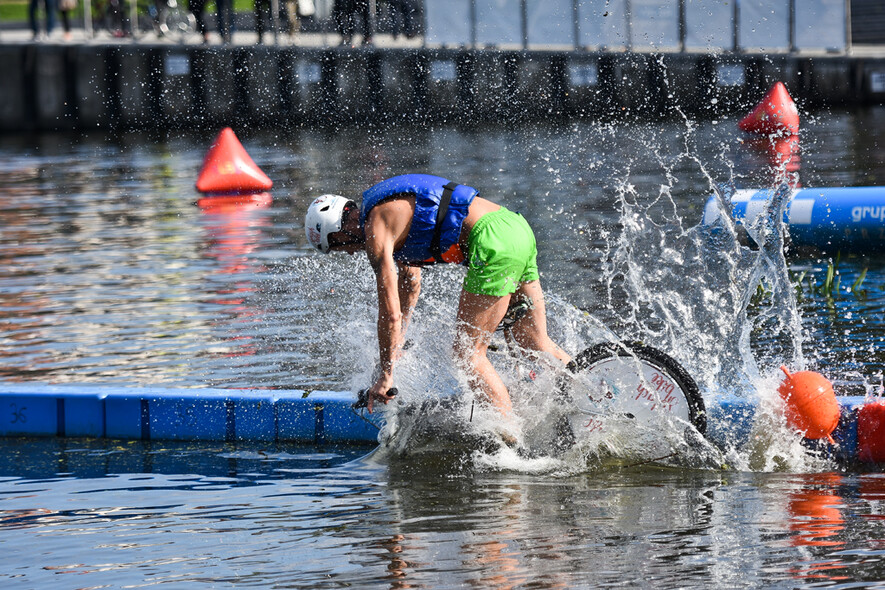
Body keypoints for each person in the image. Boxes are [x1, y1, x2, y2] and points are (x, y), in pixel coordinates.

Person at [304, 174, 571, 433]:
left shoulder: (375, 228)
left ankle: (511, 443)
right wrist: (396, 347)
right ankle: (588, 390)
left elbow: (390, 313)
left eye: (337, 246)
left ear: (338, 229)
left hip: (493, 243)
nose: (349, 252)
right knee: (534, 341)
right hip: (515, 229)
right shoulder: (389, 213)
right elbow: (410, 284)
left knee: (468, 355)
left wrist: (386, 375)